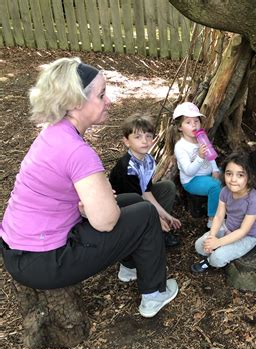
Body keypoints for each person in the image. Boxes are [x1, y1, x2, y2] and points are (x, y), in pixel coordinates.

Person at [0, 57, 178, 319]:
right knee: (146, 214)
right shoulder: (77, 152)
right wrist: (93, 208)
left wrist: (92, 205)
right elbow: (106, 221)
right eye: (102, 95)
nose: (110, 101)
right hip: (43, 260)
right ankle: (154, 294)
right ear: (75, 103)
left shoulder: (54, 132)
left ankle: (129, 267)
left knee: (130, 200)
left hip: (21, 249)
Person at [109, 113, 182, 255]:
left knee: (167, 187)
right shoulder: (127, 167)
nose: (144, 141)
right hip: (123, 207)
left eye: (148, 136)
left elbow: (146, 192)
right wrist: (156, 218)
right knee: (146, 213)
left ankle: (160, 228)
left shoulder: (148, 160)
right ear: (126, 141)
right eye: (137, 137)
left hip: (139, 198)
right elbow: (136, 201)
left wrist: (166, 215)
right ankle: (147, 236)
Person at [191, 152, 256, 273]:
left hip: (247, 237)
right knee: (200, 245)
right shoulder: (225, 191)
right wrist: (212, 237)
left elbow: (243, 230)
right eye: (229, 174)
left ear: (249, 177)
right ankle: (216, 248)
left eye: (240, 175)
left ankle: (209, 261)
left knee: (217, 258)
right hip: (227, 226)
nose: (233, 179)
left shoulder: (254, 200)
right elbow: (219, 216)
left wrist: (218, 242)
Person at [169, 102, 221, 228]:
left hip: (207, 174)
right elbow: (188, 171)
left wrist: (215, 169)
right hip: (192, 180)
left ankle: (228, 210)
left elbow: (211, 156)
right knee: (215, 186)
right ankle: (212, 219)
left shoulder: (201, 138)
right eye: (188, 122)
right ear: (180, 127)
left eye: (196, 121)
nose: (194, 125)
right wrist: (199, 157)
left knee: (228, 176)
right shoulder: (181, 147)